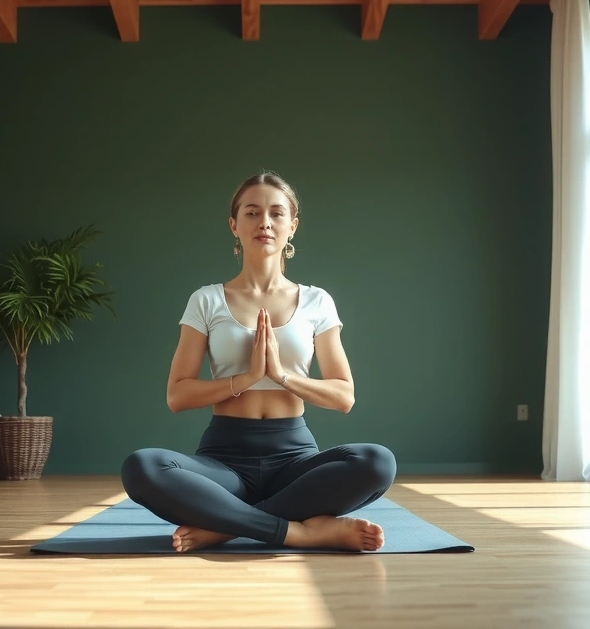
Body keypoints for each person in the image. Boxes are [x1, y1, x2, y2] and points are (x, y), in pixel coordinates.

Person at [120, 172, 397, 553]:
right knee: (142, 467)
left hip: (295, 461)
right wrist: (247, 378)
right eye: (252, 213)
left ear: (292, 226)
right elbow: (177, 395)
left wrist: (281, 376)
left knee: (377, 462)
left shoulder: (317, 301)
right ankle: (299, 532)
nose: (264, 222)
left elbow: (343, 395)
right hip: (223, 463)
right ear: (234, 225)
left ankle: (226, 526)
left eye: (276, 213)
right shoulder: (206, 300)